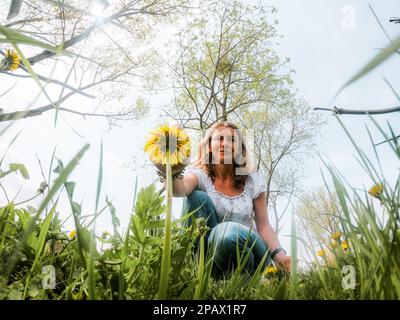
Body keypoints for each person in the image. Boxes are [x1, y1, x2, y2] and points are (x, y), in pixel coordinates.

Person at [169, 121, 291, 278]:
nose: (225, 144)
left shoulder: (253, 181)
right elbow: (178, 190)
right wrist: (173, 167)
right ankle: (197, 276)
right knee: (196, 197)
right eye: (219, 138)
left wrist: (279, 255)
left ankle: (257, 277)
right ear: (209, 145)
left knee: (228, 232)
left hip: (252, 251)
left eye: (232, 140)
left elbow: (264, 225)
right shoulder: (200, 175)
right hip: (215, 256)